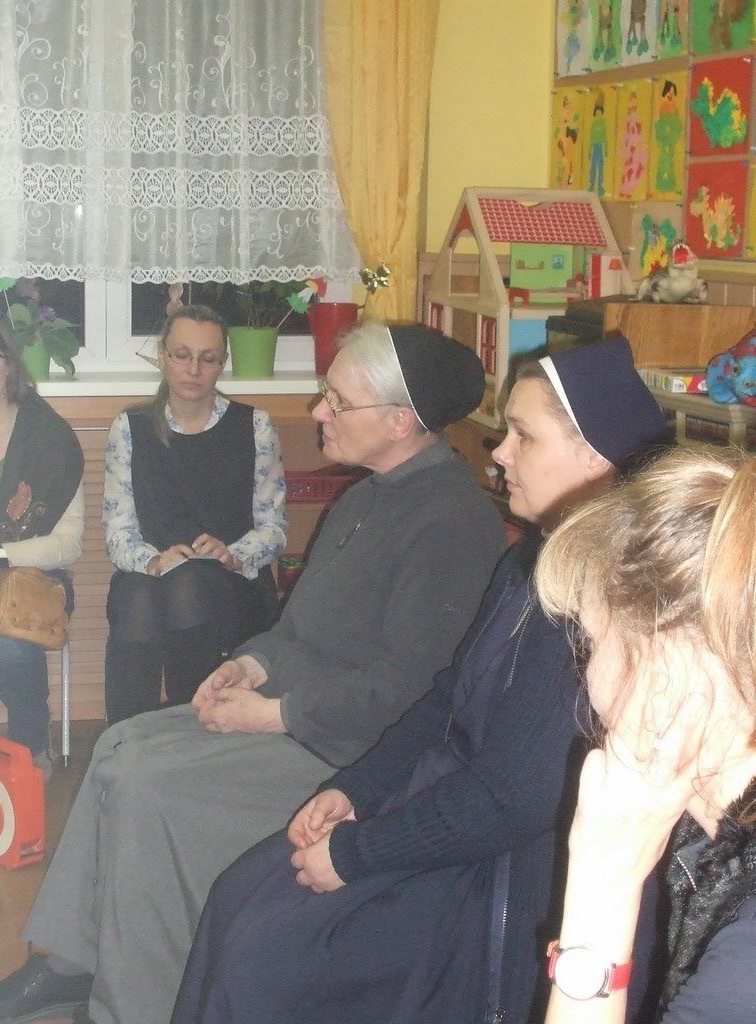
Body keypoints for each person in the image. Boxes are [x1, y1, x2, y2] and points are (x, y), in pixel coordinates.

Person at [0, 320, 505, 1024]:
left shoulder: (451, 523)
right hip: (300, 713)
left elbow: (409, 694)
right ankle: (73, 965)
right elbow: (299, 625)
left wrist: (276, 714)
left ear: (399, 421)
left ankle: (135, 1005)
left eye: (337, 400)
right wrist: (249, 663)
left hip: (349, 757)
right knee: (117, 743)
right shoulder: (368, 496)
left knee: (142, 783)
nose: (318, 410)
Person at [168, 336, 673, 1024]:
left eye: (522, 436)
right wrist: (356, 788)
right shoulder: (530, 563)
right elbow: (444, 700)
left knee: (271, 951)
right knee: (243, 891)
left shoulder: (606, 605)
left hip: (509, 873)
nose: (497, 453)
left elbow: (510, 801)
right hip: (441, 806)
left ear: (594, 457)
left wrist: (356, 853)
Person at [538, 446, 756, 1024]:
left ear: (667, 670)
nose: (586, 674)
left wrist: (603, 878)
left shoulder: (745, 971)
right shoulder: (714, 838)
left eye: (591, 641)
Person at [102, 303, 286, 723]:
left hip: (232, 581)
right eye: (181, 355)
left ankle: (192, 731)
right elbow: (118, 531)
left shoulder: (255, 426)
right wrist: (153, 561)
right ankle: (127, 739)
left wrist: (233, 553)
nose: (193, 370)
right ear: (163, 357)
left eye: (208, 358)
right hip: (150, 574)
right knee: (136, 599)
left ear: (222, 363)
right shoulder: (130, 428)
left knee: (189, 588)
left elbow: (273, 528)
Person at [0, 315, 83, 775]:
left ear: (8, 362)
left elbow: (68, 544)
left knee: (8, 646)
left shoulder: (49, 441)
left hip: (30, 582)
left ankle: (29, 745)